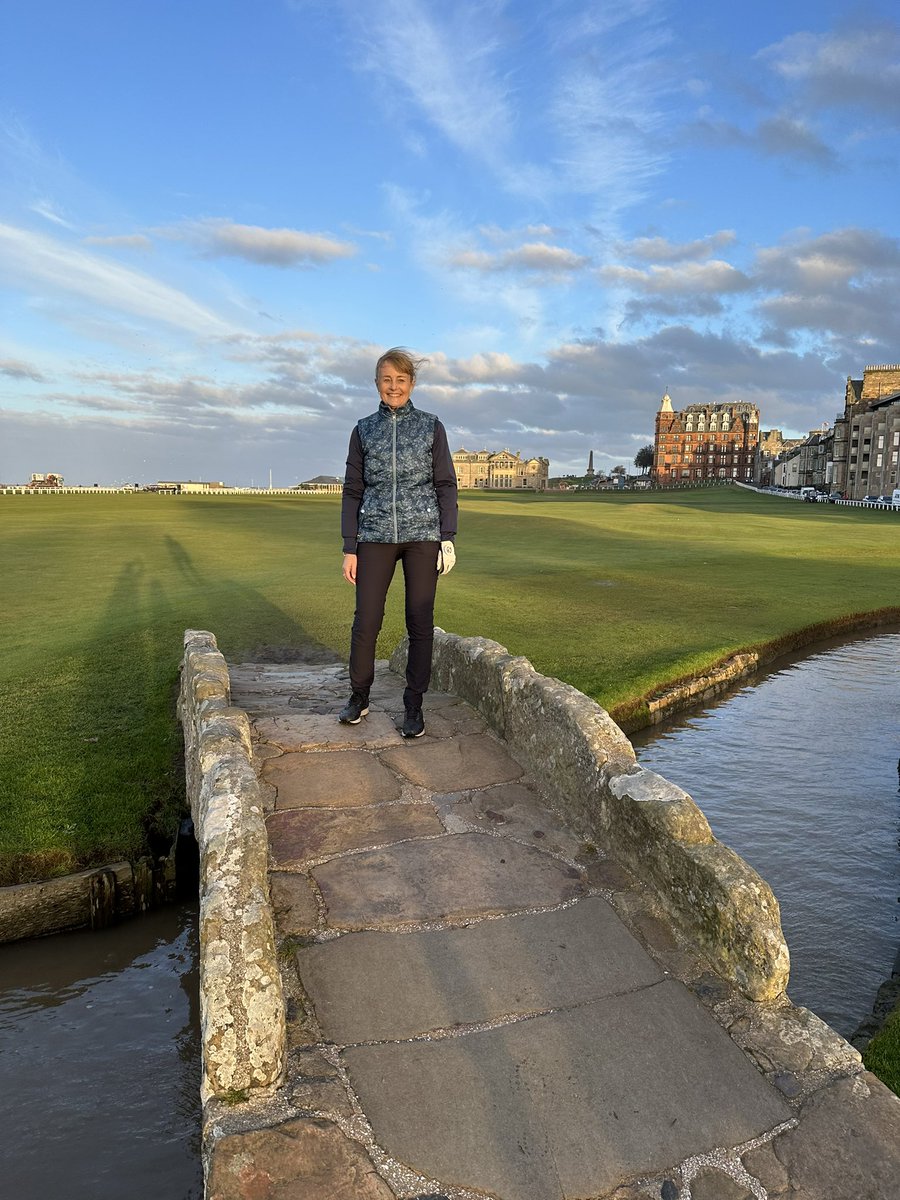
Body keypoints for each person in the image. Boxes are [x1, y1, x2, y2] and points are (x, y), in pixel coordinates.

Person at [339, 347, 458, 737]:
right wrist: (350, 546)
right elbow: (352, 489)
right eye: (387, 379)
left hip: (422, 534)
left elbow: (445, 484)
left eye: (401, 380)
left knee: (420, 622)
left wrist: (447, 538)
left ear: (412, 383)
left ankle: (413, 705)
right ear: (377, 383)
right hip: (374, 535)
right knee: (367, 620)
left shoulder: (431, 426)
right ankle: (359, 696)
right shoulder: (363, 430)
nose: (394, 387)